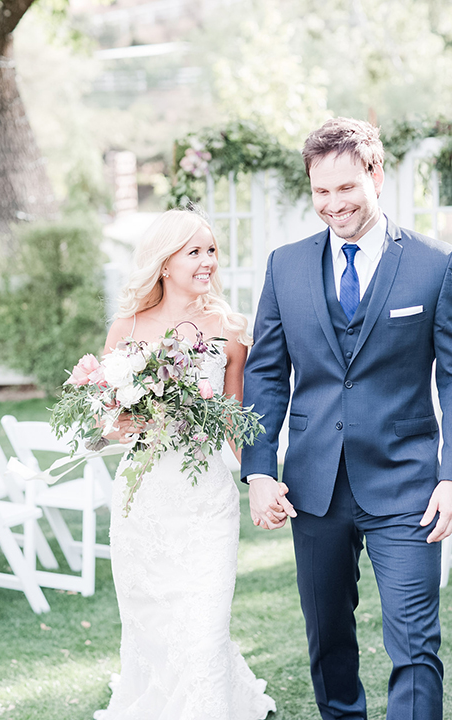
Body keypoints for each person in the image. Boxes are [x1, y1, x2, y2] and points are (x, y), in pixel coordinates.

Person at [241, 117, 452, 719]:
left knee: (415, 645)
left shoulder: (435, 265)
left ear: (375, 175)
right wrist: (259, 470)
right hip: (314, 486)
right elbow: (266, 374)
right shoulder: (285, 266)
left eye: (346, 188)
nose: (334, 205)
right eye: (321, 192)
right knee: (329, 640)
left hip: (407, 484)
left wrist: (450, 474)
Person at [93, 208, 276, 720]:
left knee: (204, 619)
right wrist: (145, 416)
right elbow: (110, 423)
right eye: (194, 251)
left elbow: (237, 419)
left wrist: (264, 477)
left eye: (211, 250)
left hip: (206, 498)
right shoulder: (126, 326)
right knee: (151, 617)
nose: (207, 262)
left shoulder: (231, 329)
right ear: (164, 261)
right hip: (143, 496)